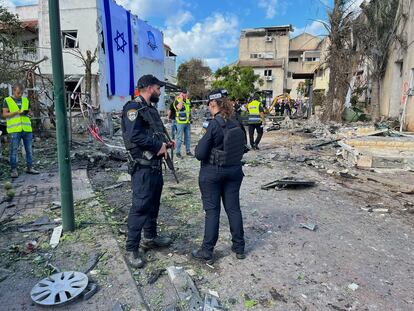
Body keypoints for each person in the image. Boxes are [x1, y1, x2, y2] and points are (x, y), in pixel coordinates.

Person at [121, 74, 173, 268]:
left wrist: (166, 144)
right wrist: (156, 145)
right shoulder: (133, 108)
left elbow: (153, 133)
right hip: (142, 167)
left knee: (153, 205)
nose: (160, 92)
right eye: (158, 88)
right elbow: (134, 136)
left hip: (154, 166)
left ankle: (150, 237)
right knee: (140, 206)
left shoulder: (148, 109)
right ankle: (131, 249)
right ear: (150, 88)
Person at [192, 89, 246, 263]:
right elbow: (243, 145)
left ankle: (207, 251)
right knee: (233, 209)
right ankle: (239, 247)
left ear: (212, 104)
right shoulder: (236, 121)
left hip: (213, 173)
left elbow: (200, 153)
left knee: (212, 211)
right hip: (234, 171)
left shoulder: (214, 124)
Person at [2, 83, 39, 178]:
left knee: (29, 150)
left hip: (26, 129)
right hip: (15, 130)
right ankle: (14, 170)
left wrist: (29, 113)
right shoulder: (7, 100)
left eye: (21, 93)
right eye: (18, 93)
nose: (20, 95)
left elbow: (30, 112)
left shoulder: (25, 100)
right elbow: (5, 114)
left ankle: (29, 168)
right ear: (14, 91)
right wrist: (16, 112)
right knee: (13, 151)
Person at [174, 90, 193, 157]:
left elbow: (189, 110)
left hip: (187, 122)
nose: (184, 95)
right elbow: (179, 108)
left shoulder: (188, 101)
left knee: (188, 137)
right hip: (180, 123)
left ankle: (188, 151)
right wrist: (181, 99)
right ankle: (178, 152)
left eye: (185, 93)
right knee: (179, 138)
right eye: (183, 94)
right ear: (181, 94)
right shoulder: (177, 101)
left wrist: (191, 119)